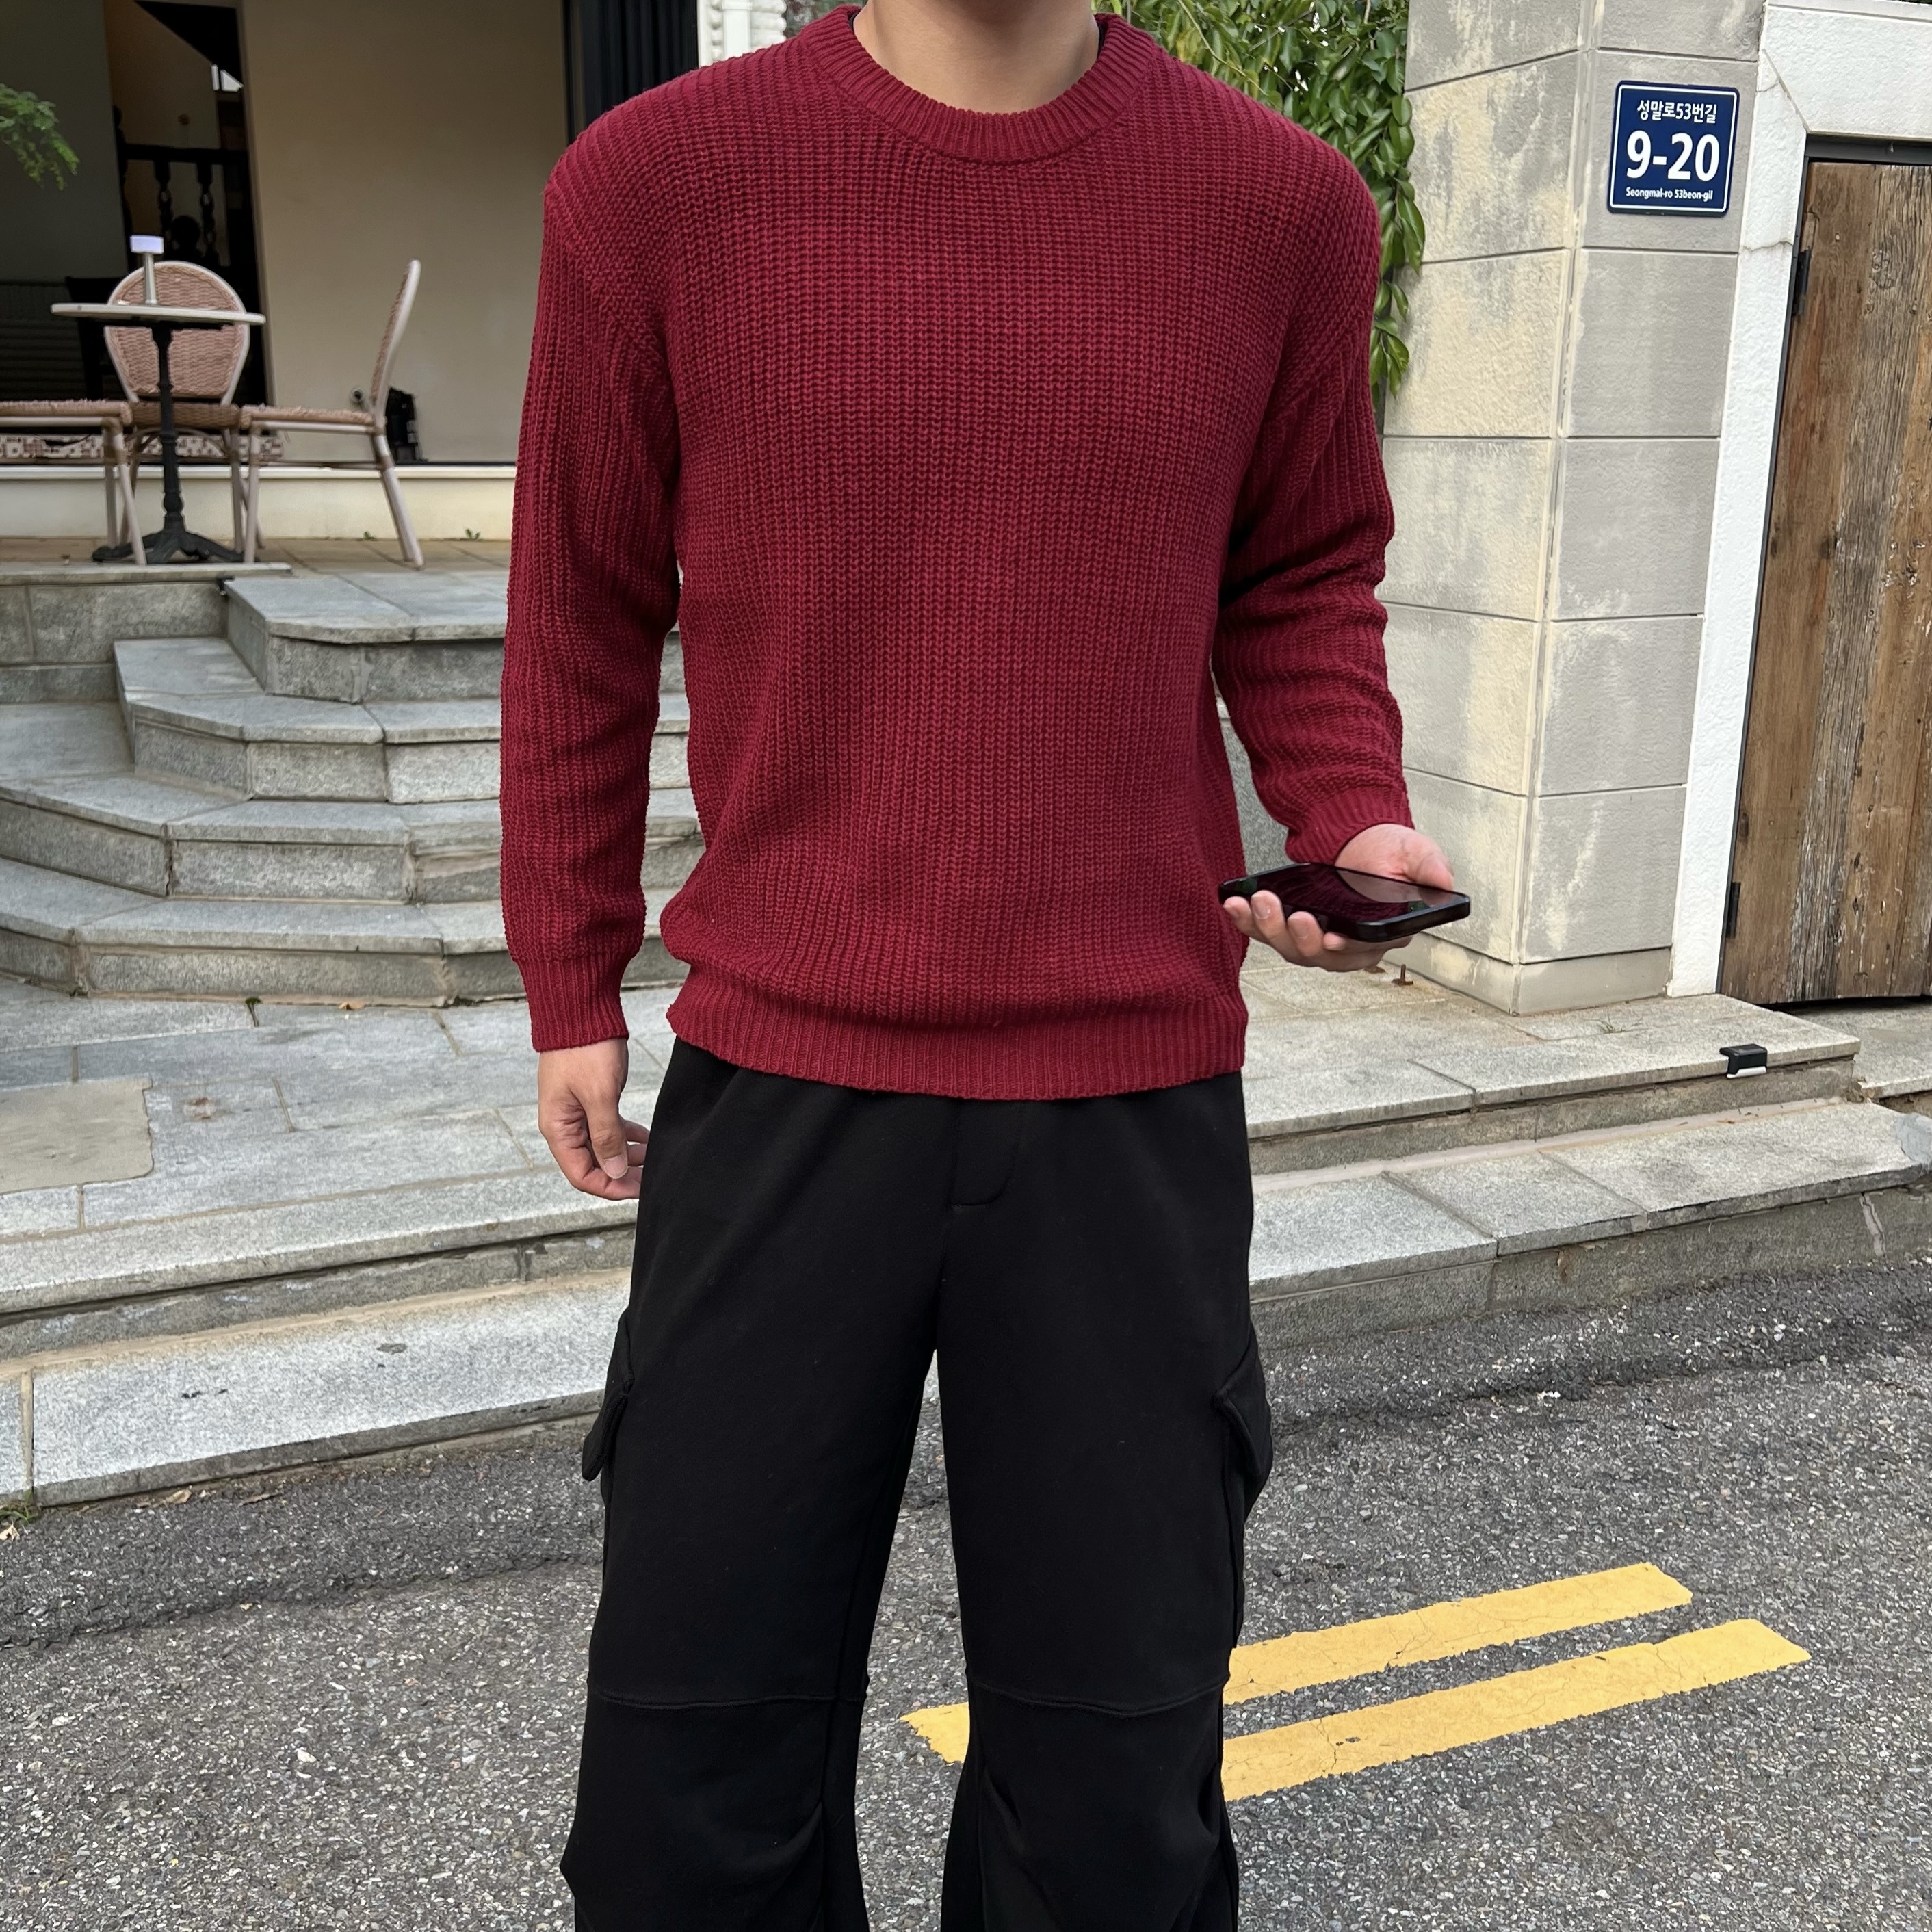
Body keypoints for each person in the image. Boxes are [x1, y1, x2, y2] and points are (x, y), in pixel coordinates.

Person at [501, 0, 1452, 1922]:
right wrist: (569, 976)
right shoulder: (655, 189)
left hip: (1127, 1096)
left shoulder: (1282, 209)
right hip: (781, 1075)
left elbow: (1299, 572)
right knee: (694, 1763)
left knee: (1114, 1785)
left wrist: (1349, 809)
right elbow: (581, 605)